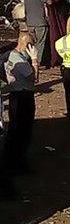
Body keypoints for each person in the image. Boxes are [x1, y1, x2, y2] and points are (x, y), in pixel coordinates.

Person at [3, 31, 37, 171]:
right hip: (24, 96)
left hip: (15, 95)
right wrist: (34, 60)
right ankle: (19, 163)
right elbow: (34, 78)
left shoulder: (11, 55)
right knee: (23, 130)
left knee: (14, 129)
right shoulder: (21, 62)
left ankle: (11, 159)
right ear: (28, 45)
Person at [22, 0, 53, 67]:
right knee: (40, 43)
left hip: (29, 21)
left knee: (30, 42)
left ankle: (27, 59)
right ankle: (37, 62)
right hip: (40, 21)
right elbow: (49, 2)